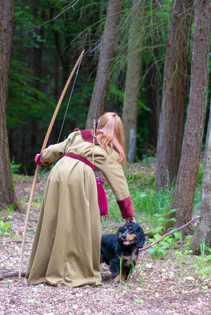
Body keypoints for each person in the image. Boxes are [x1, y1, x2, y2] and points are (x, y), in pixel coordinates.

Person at [26, 112, 136, 287]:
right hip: (79, 177)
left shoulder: (78, 135)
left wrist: (41, 158)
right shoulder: (108, 148)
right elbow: (119, 182)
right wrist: (128, 213)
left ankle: (46, 267)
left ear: (99, 123)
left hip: (58, 172)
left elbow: (55, 149)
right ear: (118, 131)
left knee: (55, 219)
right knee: (78, 223)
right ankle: (71, 269)